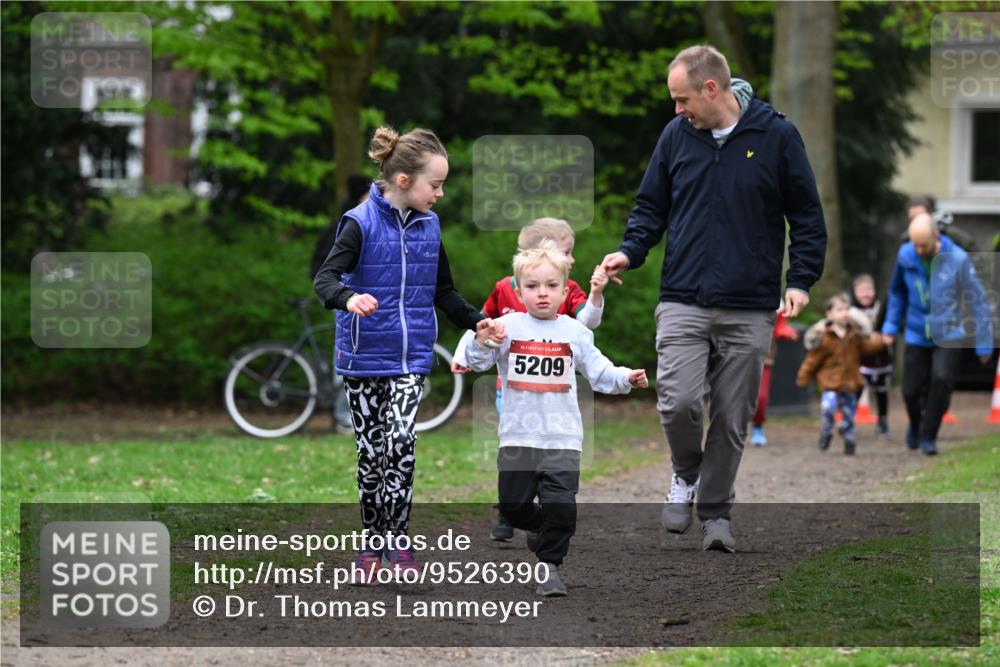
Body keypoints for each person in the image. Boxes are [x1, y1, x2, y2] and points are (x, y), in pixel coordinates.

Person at [600, 45, 827, 553]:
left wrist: (800, 280)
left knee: (731, 414)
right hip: (683, 293)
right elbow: (650, 205)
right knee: (678, 401)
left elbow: (807, 216)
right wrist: (629, 253)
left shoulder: (777, 136)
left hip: (750, 304)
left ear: (711, 89)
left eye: (682, 99)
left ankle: (716, 513)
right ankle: (686, 474)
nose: (676, 110)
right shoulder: (676, 136)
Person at [313, 126, 499, 582]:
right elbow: (325, 280)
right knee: (371, 453)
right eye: (435, 184)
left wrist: (476, 320)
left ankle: (399, 541)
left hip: (410, 357)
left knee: (399, 442)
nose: (440, 193)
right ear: (403, 181)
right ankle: (372, 545)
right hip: (361, 359)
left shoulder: (430, 227)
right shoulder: (358, 222)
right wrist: (349, 298)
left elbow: (444, 292)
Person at [464, 241, 648, 596]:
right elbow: (477, 363)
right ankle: (540, 528)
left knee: (562, 508)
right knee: (513, 508)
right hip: (518, 437)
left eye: (551, 286)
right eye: (532, 287)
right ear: (518, 291)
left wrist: (626, 378)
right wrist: (482, 342)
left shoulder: (575, 333)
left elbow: (600, 372)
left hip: (562, 438)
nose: (542, 294)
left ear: (565, 290)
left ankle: (549, 568)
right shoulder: (507, 326)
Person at [451, 217, 608, 542]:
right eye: (567, 252)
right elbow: (479, 322)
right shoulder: (502, 288)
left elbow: (587, 323)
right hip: (509, 389)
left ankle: (543, 513)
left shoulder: (567, 288)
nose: (573, 260)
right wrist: (460, 352)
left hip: (551, 396)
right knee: (517, 451)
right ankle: (511, 512)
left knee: (546, 453)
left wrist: (595, 295)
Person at [882, 213, 994, 455]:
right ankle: (915, 423)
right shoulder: (905, 255)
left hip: (949, 331)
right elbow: (897, 293)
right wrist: (890, 326)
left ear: (936, 235)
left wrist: (984, 343)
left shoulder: (958, 259)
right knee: (910, 389)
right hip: (915, 331)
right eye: (915, 244)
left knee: (942, 381)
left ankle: (929, 435)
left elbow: (978, 302)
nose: (919, 249)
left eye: (924, 244)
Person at [310, 174, 372, 434]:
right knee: (348, 353)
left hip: (353, 296)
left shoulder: (353, 221)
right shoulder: (351, 224)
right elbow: (323, 270)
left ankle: (347, 414)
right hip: (345, 298)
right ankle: (343, 415)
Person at [796, 293, 886, 455]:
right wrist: (804, 376)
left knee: (849, 415)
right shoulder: (825, 336)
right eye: (839, 310)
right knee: (828, 408)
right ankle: (827, 431)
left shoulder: (855, 334)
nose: (844, 313)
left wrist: (879, 340)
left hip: (850, 383)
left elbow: (867, 348)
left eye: (846, 309)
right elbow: (812, 360)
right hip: (829, 383)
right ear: (829, 314)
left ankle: (849, 439)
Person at [850, 273, 893, 437]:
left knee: (882, 391)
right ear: (855, 292)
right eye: (862, 290)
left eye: (869, 289)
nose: (866, 294)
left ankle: (882, 421)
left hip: (882, 359)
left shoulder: (881, 310)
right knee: (857, 389)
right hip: (860, 360)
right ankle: (849, 421)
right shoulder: (851, 313)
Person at [749, 313, 800, 447]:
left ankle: (758, 426)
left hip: (764, 359)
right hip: (733, 357)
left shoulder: (776, 304)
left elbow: (780, 325)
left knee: (761, 399)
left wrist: (786, 332)